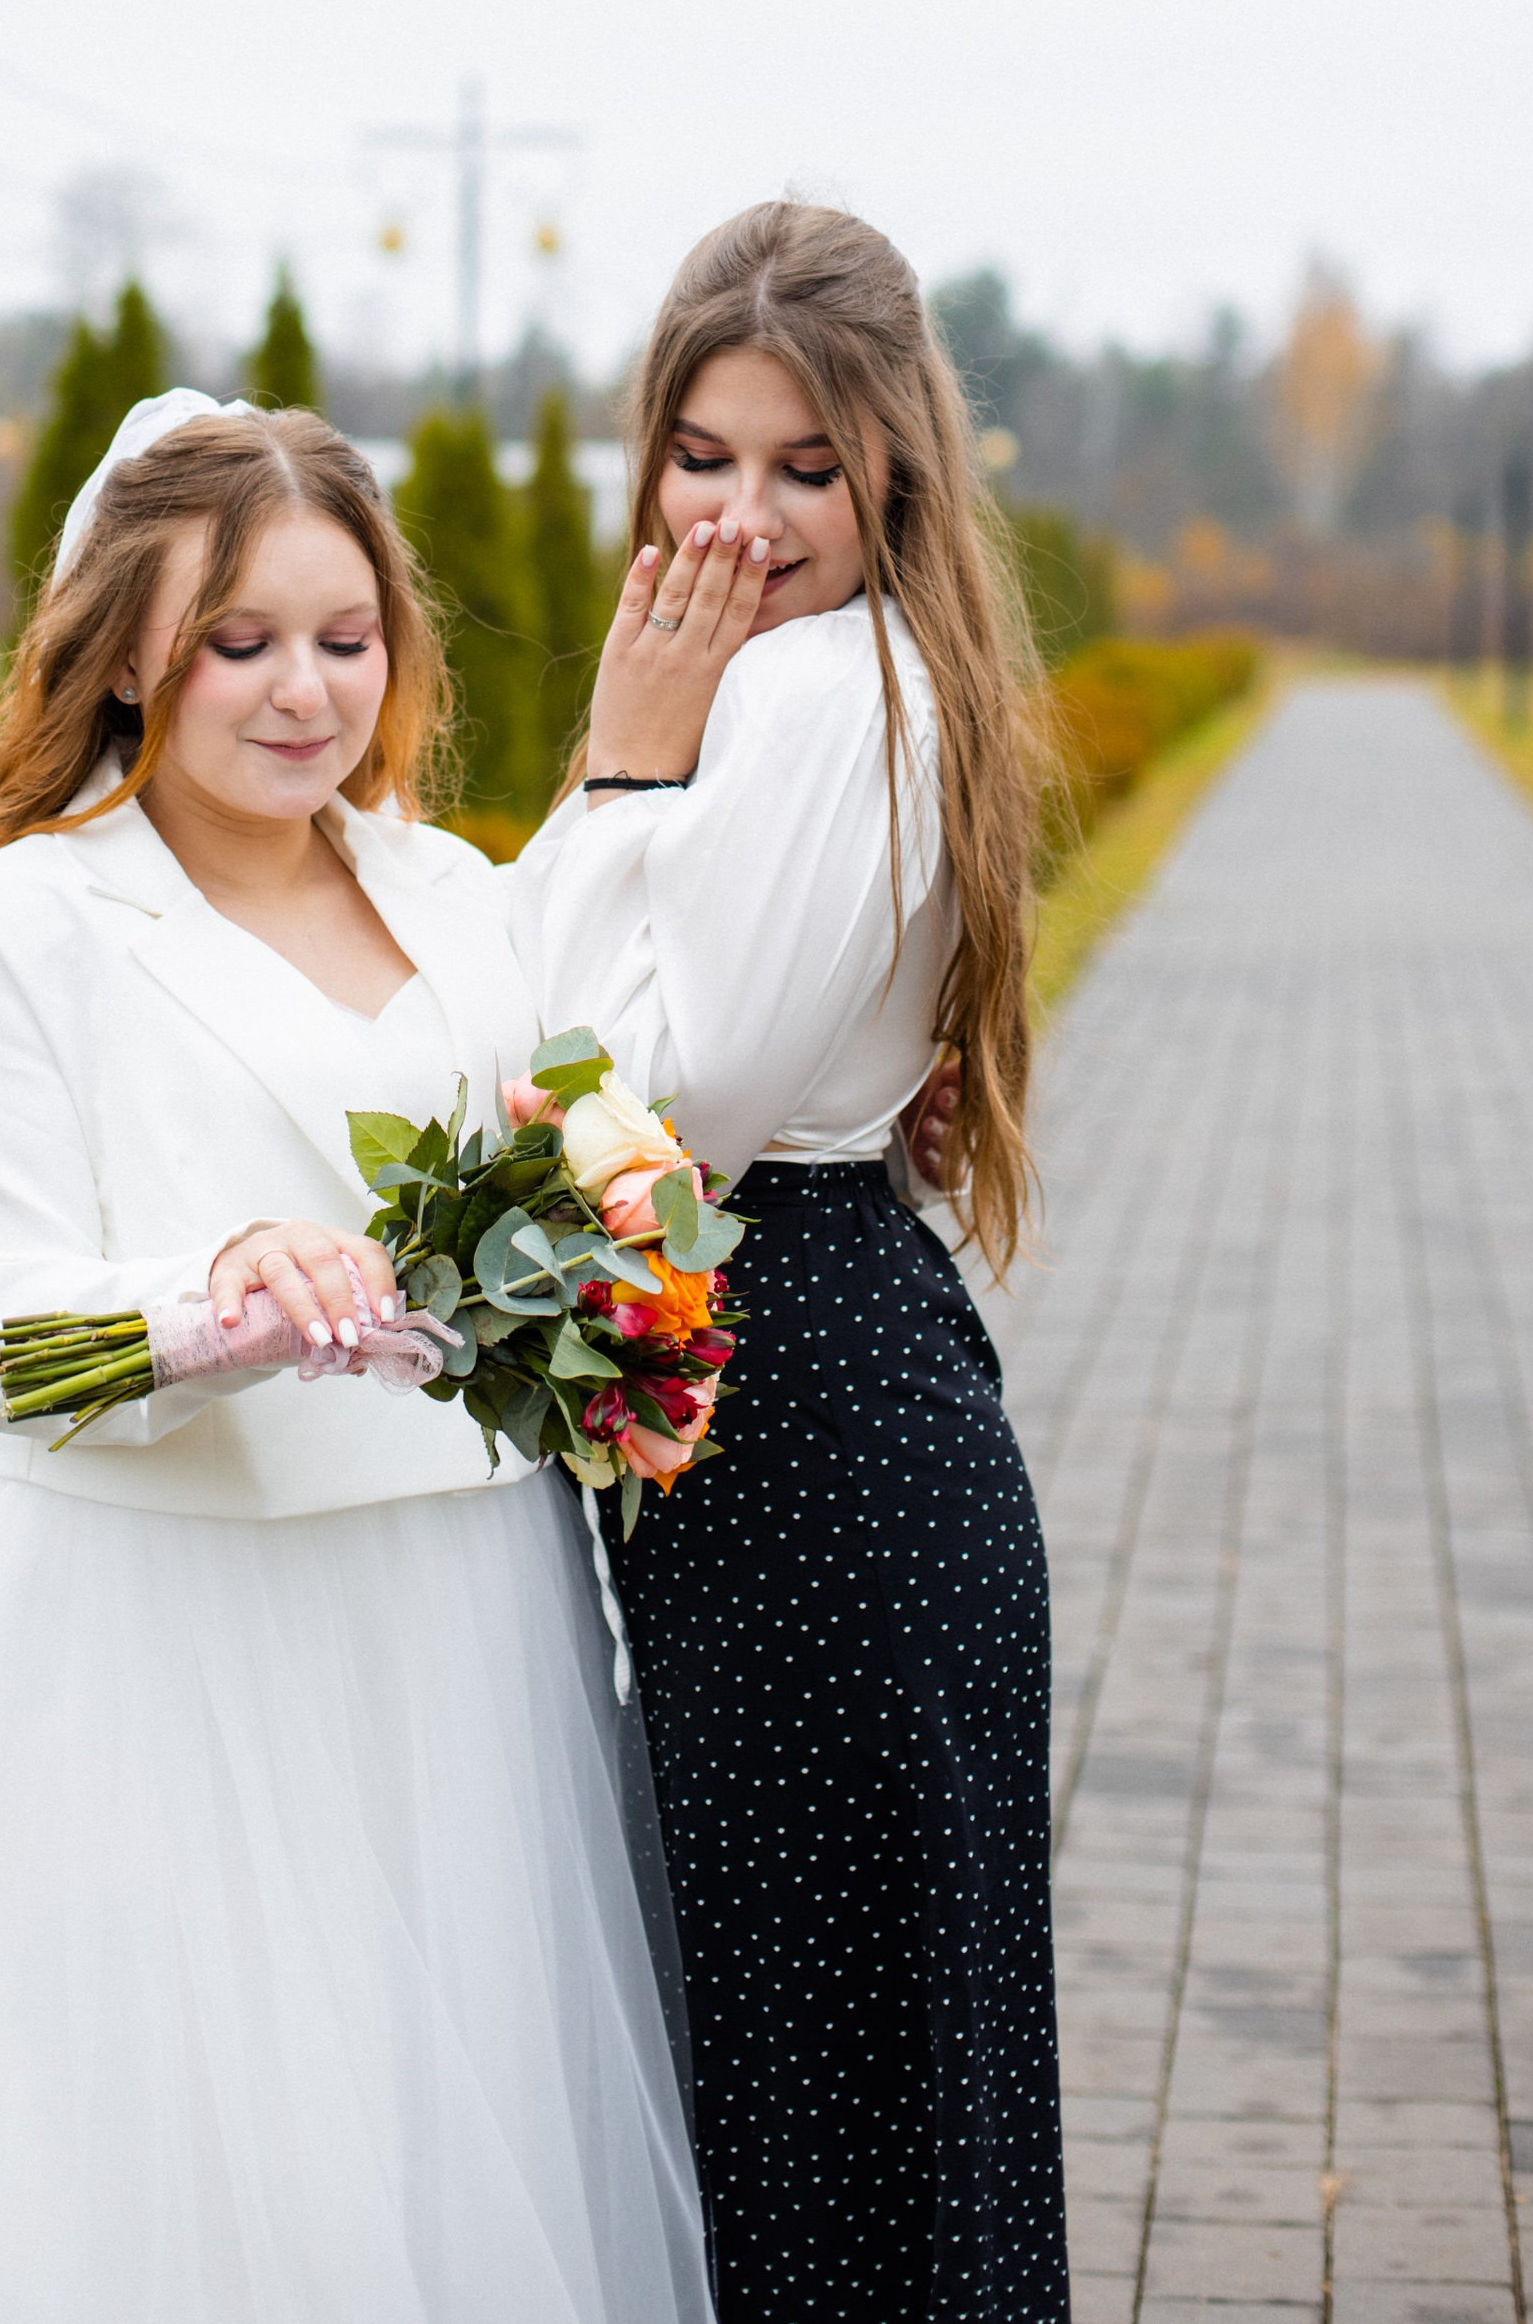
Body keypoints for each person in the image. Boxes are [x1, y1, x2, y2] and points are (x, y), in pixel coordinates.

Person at [0, 393, 711, 2324]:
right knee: (189, 2181)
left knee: (457, 2155)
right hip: (159, 1635)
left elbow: (593, 1138)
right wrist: (212, 1297)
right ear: (130, 647)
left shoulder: (458, 894)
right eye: (241, 641)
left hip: (468, 1619)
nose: (305, 690)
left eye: (344, 635)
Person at [506, 204, 1070, 2324]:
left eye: (804, 468)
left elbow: (663, 1104)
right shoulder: (797, 677)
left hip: (817, 1451)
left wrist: (624, 764)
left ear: (892, 468)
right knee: (840, 2086)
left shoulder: (825, 692)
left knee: (823, 2103)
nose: (740, 517)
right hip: (812, 1419)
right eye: (702, 456)